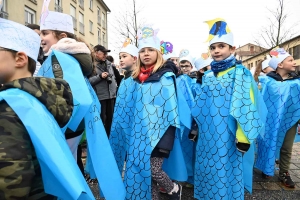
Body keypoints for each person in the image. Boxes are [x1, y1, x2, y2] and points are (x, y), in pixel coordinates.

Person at [0, 15, 94, 199]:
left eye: (45, 32)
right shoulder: (33, 96)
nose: (42, 38)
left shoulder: (10, 105)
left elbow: (10, 177)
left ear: (20, 59)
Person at [37, 8, 125, 199]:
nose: (41, 38)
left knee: (62, 174)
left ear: (61, 36)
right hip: (71, 128)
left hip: (63, 128)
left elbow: (79, 99)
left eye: (45, 33)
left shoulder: (59, 57)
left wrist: (61, 125)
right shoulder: (66, 56)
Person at [191, 18, 266, 199]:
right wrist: (195, 128)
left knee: (226, 169)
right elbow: (201, 105)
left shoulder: (240, 73)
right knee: (208, 168)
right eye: (213, 47)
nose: (216, 50)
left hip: (228, 134)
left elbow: (246, 105)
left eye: (221, 46)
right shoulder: (208, 76)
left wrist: (243, 137)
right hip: (208, 135)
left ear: (232, 49)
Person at [111, 26, 190, 200]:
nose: (146, 54)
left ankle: (173, 189)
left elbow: (171, 113)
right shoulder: (137, 79)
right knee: (144, 174)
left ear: (158, 53)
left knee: (153, 170)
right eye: (142, 51)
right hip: (140, 135)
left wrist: (165, 141)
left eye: (150, 50)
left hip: (160, 136)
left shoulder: (165, 78)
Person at [255, 47, 300, 188]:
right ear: (280, 64)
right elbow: (262, 99)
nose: (294, 62)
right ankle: (266, 166)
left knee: (286, 147)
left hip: (290, 121)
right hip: (271, 120)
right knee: (268, 143)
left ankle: (284, 173)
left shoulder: (297, 82)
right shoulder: (268, 82)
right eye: (290, 60)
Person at [109, 38, 138, 173]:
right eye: (120, 57)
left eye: (124, 56)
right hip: (120, 123)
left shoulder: (138, 80)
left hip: (132, 125)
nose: (120, 59)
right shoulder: (125, 79)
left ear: (135, 58)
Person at [89, 45, 118, 137]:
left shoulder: (109, 64)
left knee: (111, 119)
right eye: (103, 53)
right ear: (96, 53)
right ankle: (100, 138)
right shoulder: (91, 65)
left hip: (111, 96)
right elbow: (88, 81)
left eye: (106, 53)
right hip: (100, 97)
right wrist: (100, 77)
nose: (105, 55)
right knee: (101, 120)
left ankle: (109, 137)